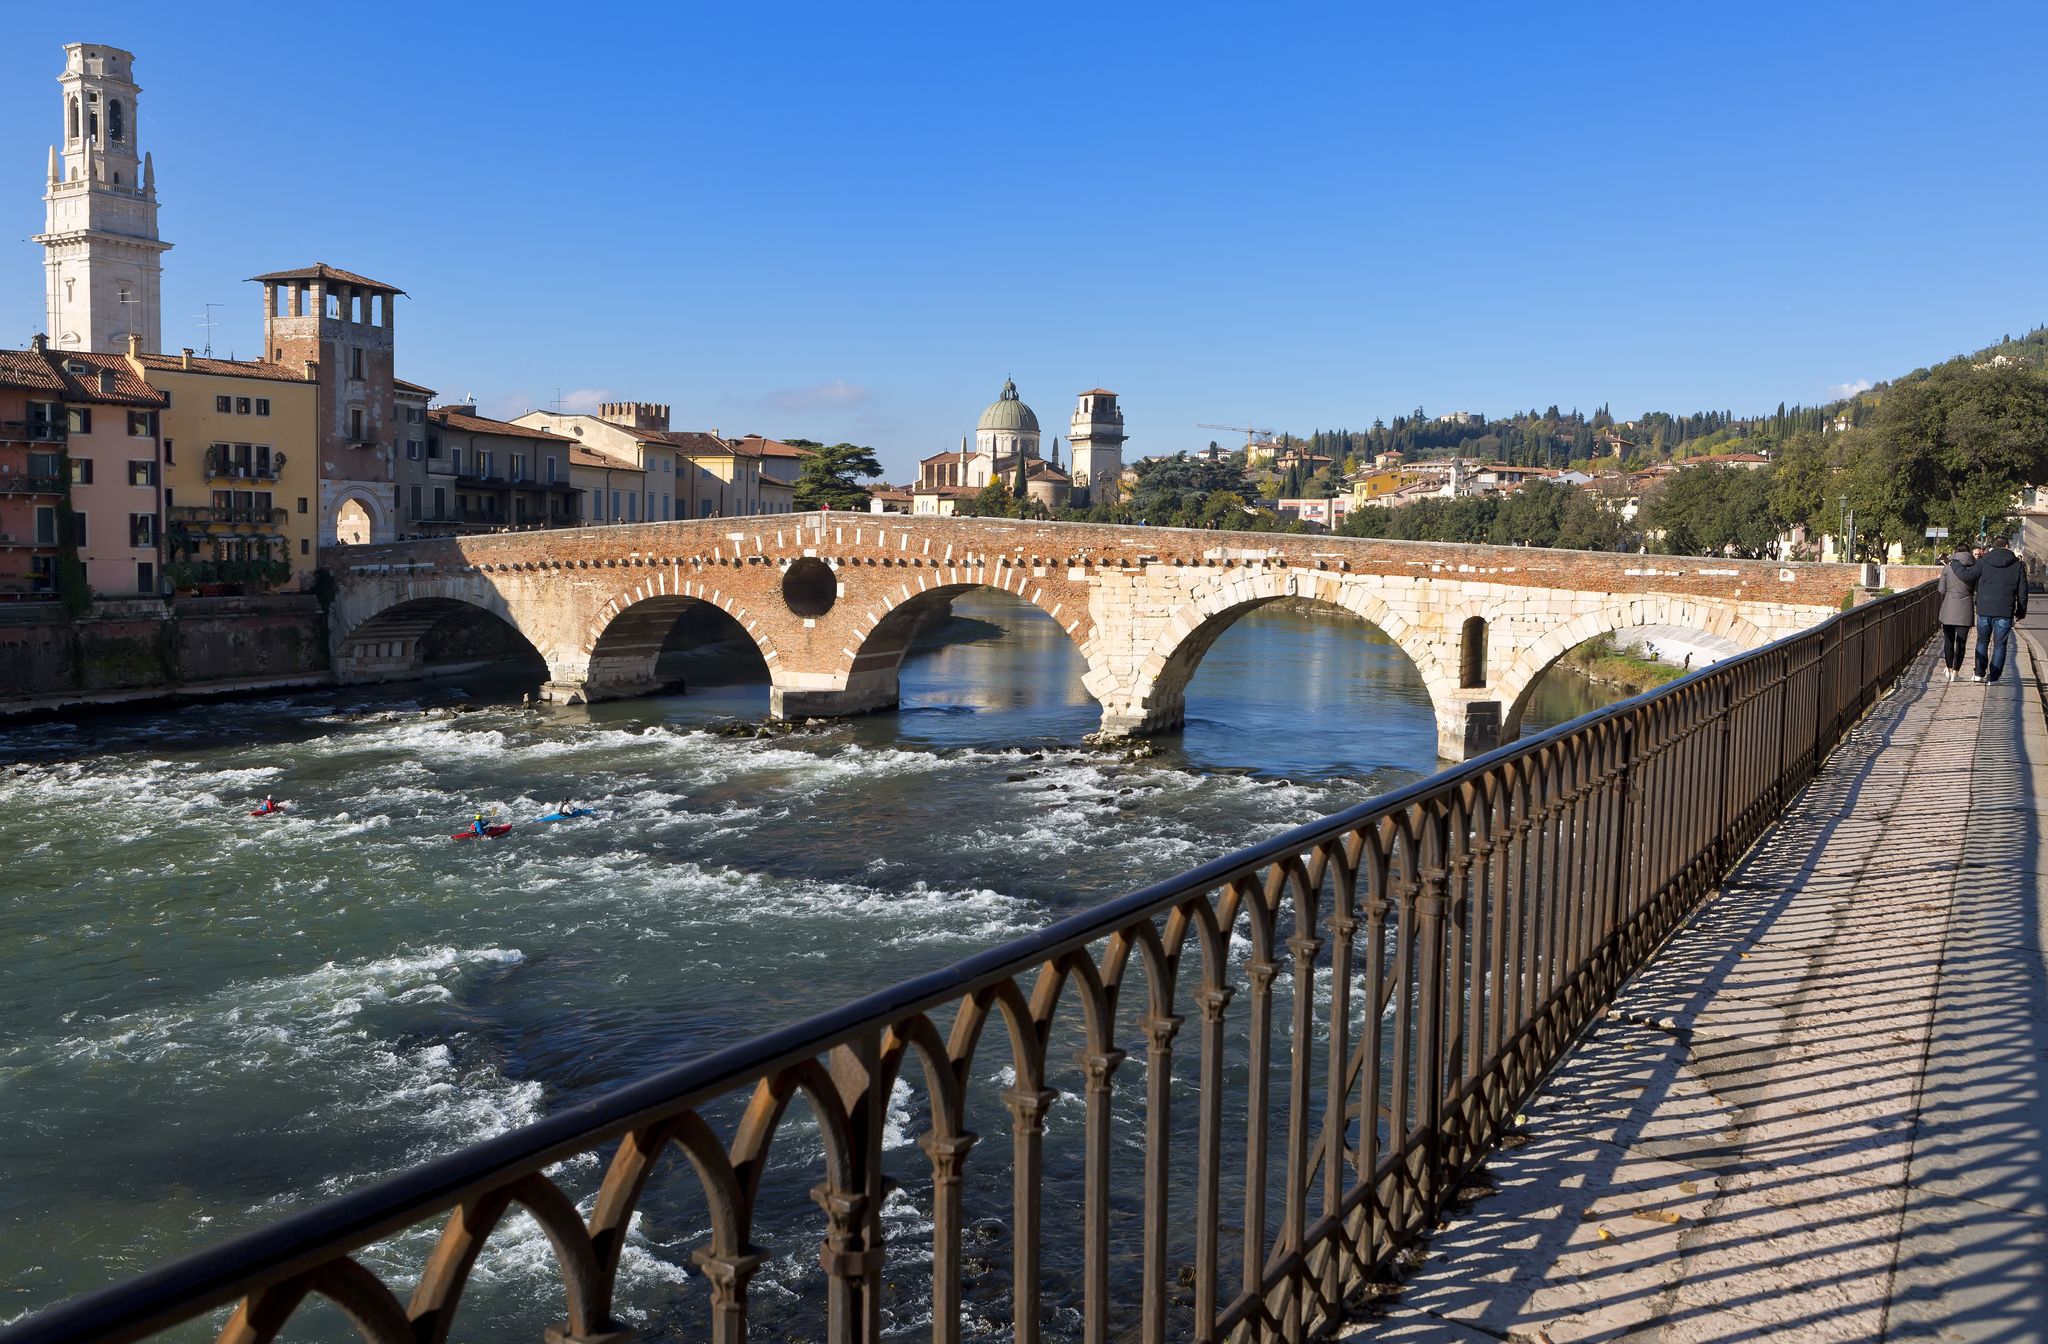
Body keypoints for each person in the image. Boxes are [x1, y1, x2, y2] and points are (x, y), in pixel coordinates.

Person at [1957, 534, 2028, 683]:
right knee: (2000, 644)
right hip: (2005, 611)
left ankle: (1979, 673)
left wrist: (1955, 564)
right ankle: (1994, 677)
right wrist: (2021, 611)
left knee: (1982, 640)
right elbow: (2022, 591)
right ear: (2007, 547)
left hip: (1984, 608)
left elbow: (1968, 576)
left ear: (1993, 547)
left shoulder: (1983, 561)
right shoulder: (2018, 565)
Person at [1936, 549, 1977, 683]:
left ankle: (1948, 669)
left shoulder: (1948, 568)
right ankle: (1955, 672)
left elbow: (1941, 590)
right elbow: (1976, 589)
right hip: (1965, 609)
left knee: (1949, 641)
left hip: (1949, 608)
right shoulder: (1974, 569)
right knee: (1961, 643)